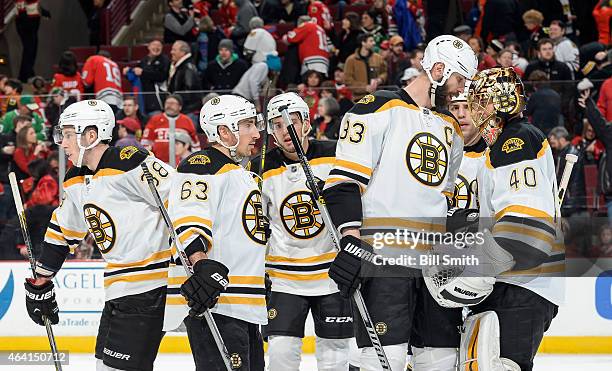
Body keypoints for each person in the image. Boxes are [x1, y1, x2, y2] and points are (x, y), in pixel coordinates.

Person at [323, 35, 477, 371]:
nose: (460, 90)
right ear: (438, 69)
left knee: (441, 358)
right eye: (458, 80)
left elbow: (444, 197)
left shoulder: (450, 128)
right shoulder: (376, 108)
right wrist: (350, 241)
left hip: (435, 266)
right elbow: (342, 184)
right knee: (385, 359)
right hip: (384, 259)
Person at [23, 99, 175, 370]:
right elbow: (63, 231)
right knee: (103, 366)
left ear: (91, 135)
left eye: (68, 134)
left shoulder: (129, 162)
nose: (62, 142)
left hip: (151, 285)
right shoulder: (76, 178)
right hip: (120, 288)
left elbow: (183, 200)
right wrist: (41, 281)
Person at [460, 67, 561, 371]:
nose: (475, 109)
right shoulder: (507, 143)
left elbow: (523, 222)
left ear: (502, 102)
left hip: (521, 286)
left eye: (482, 100)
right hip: (515, 284)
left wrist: (478, 272)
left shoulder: (514, 141)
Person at [247, 93, 352, 371]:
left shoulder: (335, 154)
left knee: (335, 356)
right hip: (284, 276)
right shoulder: (260, 167)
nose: (285, 132)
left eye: (291, 123)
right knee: (281, 354)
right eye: (278, 126)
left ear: (306, 122)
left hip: (332, 272)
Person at [166, 94, 267, 370]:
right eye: (248, 125)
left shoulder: (240, 173)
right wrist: (201, 266)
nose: (256, 133)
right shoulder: (202, 165)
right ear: (224, 131)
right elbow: (187, 221)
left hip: (245, 303)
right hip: (217, 301)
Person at [142, 94, 201, 164]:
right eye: (167, 103)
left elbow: (195, 143)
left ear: (180, 107)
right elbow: (145, 143)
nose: (169, 106)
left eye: (172, 103)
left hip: (181, 164)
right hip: (158, 164)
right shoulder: (155, 119)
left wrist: (197, 161)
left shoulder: (186, 120)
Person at [124, 38, 171, 115]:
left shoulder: (164, 60)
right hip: (144, 101)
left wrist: (143, 72)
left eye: (159, 45)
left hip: (156, 102)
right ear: (148, 47)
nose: (156, 47)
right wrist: (128, 72)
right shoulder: (144, 60)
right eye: (154, 45)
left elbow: (162, 76)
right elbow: (137, 74)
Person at [548, 126, 586, 217]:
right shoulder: (560, 154)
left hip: (571, 202)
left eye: (554, 140)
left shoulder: (571, 155)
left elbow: (571, 181)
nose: (551, 144)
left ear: (561, 139)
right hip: (566, 200)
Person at [343, 34, 387, 100]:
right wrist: (364, 88)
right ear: (363, 43)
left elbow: (384, 72)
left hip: (376, 97)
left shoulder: (378, 58)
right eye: (371, 41)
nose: (374, 43)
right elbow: (348, 81)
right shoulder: (351, 60)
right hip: (358, 99)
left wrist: (380, 79)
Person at [168, 40, 203, 115]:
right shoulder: (181, 66)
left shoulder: (187, 67)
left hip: (188, 110)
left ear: (183, 52)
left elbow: (189, 90)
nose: (171, 52)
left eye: (174, 50)